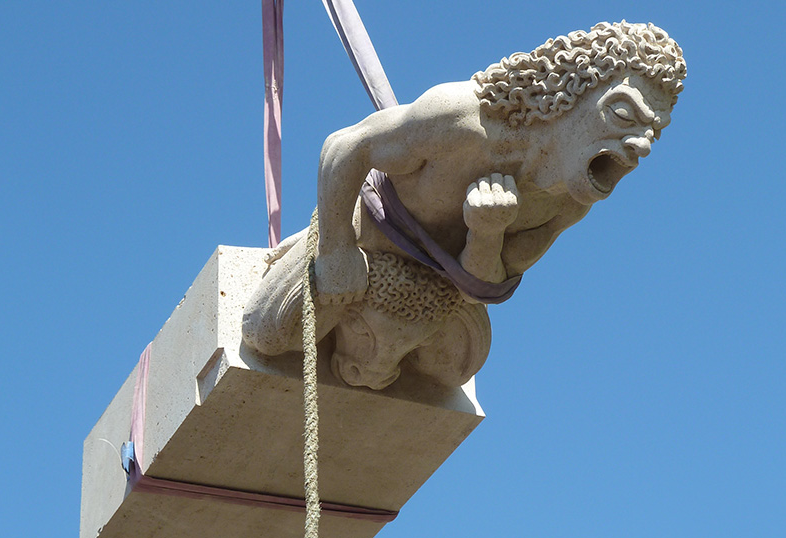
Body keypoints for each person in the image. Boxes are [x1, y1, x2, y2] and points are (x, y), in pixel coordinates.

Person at [242, 21, 686, 387]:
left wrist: (487, 233)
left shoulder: (566, 205)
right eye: (623, 114)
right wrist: (337, 247)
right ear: (569, 95)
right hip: (369, 235)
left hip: (441, 285)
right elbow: (347, 146)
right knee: (267, 333)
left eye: (654, 131)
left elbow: (484, 288)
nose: (642, 144)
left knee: (452, 372)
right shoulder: (463, 119)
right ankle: (316, 247)